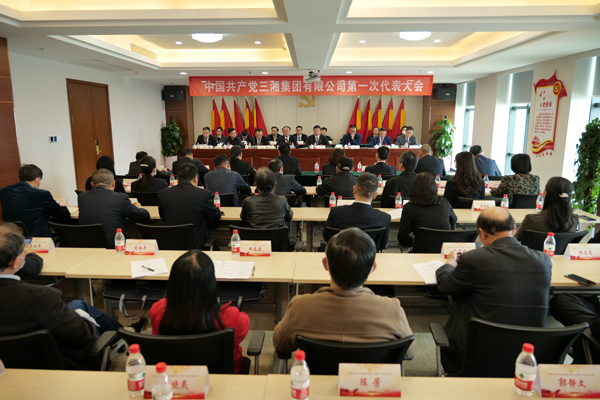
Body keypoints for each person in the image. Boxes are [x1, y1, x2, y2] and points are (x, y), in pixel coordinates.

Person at [436, 207, 552, 373]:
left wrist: (448, 264)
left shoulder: (474, 259)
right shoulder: (543, 260)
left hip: (477, 354)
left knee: (463, 297)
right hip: (527, 354)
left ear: (482, 233)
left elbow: (446, 285)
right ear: (514, 229)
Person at [0, 224, 125, 369]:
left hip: (8, 366)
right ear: (15, 262)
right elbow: (84, 336)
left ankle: (120, 333)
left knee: (77, 304)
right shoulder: (42, 298)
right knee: (81, 311)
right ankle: (122, 334)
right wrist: (84, 319)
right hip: (61, 367)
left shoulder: (40, 298)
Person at [273, 228, 415, 355]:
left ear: (325, 264)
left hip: (317, 377)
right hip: (370, 377)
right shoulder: (393, 310)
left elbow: (280, 344)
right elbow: (409, 351)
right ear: (372, 268)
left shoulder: (300, 307)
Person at [150, 251, 249, 374]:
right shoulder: (232, 317)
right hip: (222, 379)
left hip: (175, 377)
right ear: (210, 283)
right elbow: (244, 324)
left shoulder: (158, 311)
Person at [78, 169, 150, 248]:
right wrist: (139, 207)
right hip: (114, 244)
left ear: (92, 184)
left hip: (86, 243)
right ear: (113, 184)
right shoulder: (120, 198)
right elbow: (142, 216)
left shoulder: (82, 197)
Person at [158, 164, 222, 249]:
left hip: (170, 245)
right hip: (196, 245)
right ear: (195, 178)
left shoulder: (163, 194)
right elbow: (215, 216)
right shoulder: (204, 194)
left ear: (177, 179)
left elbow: (162, 217)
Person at [0, 164, 71, 237]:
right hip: (37, 238)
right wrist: (61, 207)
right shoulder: (42, 194)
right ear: (37, 179)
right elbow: (63, 215)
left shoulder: (3, 192)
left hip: (12, 237)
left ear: (18, 179)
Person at [325, 173, 392, 245]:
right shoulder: (384, 218)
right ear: (375, 195)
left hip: (341, 251)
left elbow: (327, 237)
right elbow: (382, 244)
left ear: (354, 190)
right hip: (369, 252)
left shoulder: (336, 213)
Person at [397, 173, 457, 248]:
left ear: (414, 189)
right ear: (434, 187)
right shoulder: (445, 203)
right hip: (444, 251)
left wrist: (413, 243)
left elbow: (402, 237)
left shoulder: (409, 208)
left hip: (420, 252)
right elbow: (454, 220)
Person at [514, 177, 579, 241]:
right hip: (561, 249)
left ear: (545, 194)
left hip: (535, 249)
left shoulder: (532, 219)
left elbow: (515, 239)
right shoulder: (574, 221)